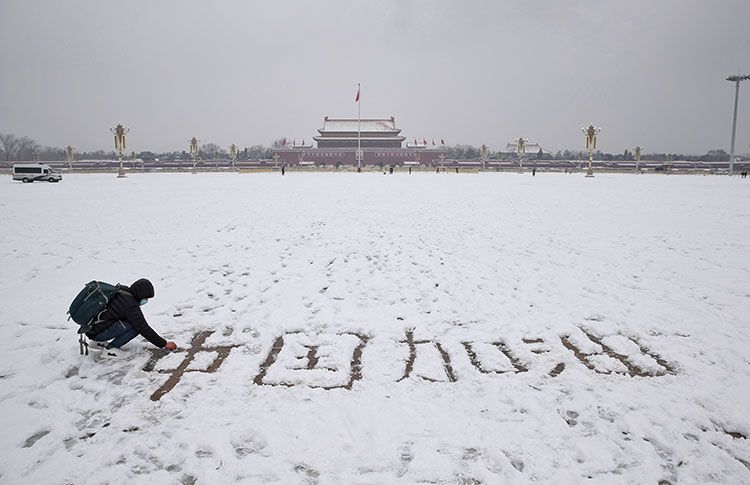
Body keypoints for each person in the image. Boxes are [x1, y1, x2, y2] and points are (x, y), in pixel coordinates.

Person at [86, 278, 177, 353]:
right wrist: (164, 344)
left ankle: (99, 342)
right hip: (97, 332)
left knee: (132, 323)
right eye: (146, 298)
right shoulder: (130, 305)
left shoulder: (122, 291)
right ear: (141, 294)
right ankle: (111, 349)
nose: (146, 300)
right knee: (135, 327)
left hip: (92, 328)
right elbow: (143, 328)